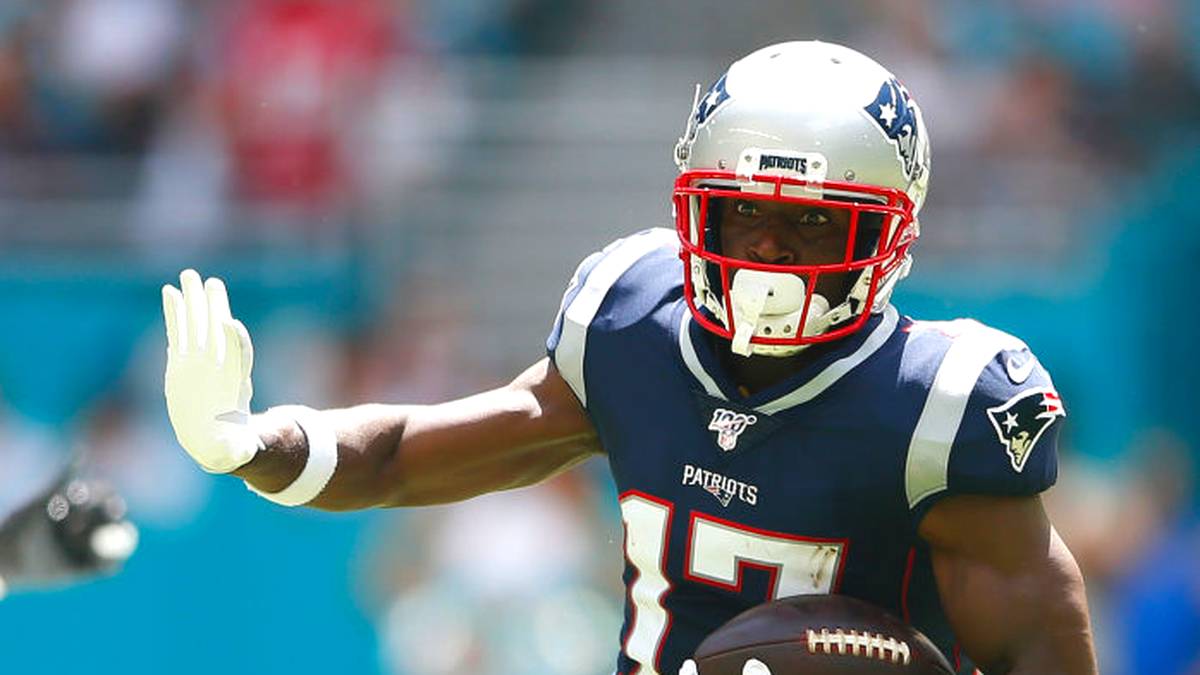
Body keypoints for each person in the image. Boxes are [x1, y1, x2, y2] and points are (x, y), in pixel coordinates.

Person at [161, 41, 1097, 674]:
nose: (766, 256)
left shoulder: (938, 406)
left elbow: (1038, 643)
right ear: (694, 208)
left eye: (811, 227)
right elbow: (407, 450)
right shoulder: (633, 321)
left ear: (889, 236)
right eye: (744, 215)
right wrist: (255, 444)